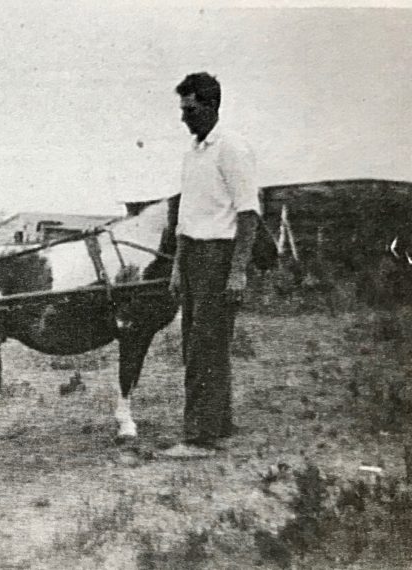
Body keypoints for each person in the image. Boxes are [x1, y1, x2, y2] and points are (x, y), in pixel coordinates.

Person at [162, 72, 260, 459]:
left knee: (206, 345)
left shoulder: (232, 148)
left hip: (219, 258)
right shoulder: (193, 153)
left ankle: (199, 438)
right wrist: (177, 267)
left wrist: (237, 270)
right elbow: (187, 216)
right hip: (192, 257)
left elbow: (249, 214)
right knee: (198, 344)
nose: (184, 117)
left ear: (210, 106)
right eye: (182, 109)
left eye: (190, 109)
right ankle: (217, 422)